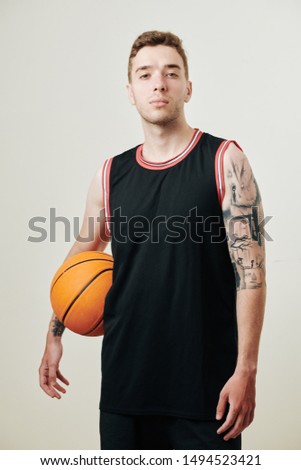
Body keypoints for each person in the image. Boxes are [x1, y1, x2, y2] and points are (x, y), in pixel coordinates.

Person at [39, 30, 266, 450]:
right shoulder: (110, 174)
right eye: (145, 74)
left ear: (188, 87)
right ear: (130, 91)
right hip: (127, 386)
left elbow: (250, 275)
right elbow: (81, 256)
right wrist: (55, 333)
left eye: (170, 72)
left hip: (207, 390)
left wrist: (246, 369)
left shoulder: (224, 160)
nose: (158, 83)